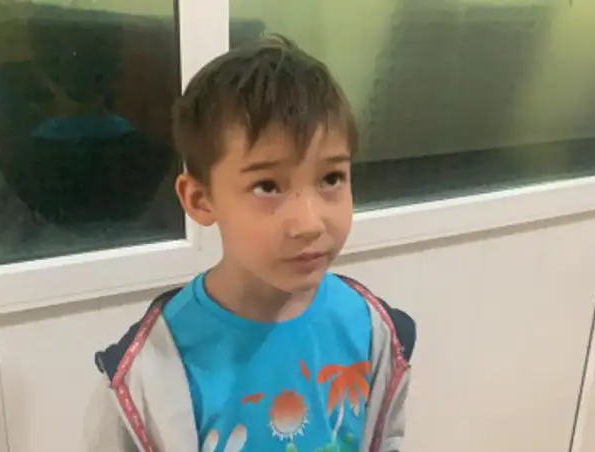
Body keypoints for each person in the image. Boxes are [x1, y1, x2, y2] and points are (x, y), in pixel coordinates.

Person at [94, 36, 417, 452]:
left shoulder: (375, 331)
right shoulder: (147, 370)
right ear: (200, 199)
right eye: (267, 186)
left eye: (331, 178)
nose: (309, 223)